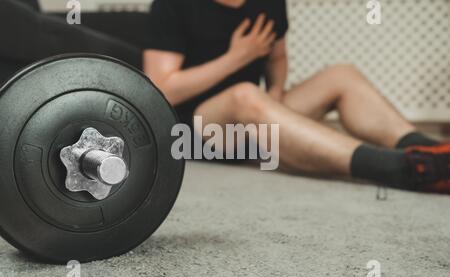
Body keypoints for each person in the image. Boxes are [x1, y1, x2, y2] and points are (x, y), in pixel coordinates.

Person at [143, 0, 450, 194]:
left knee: (341, 74)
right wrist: (237, 57)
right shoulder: (173, 4)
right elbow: (162, 88)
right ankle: (404, 169)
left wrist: (275, 93)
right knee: (244, 94)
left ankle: (432, 151)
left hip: (255, 122)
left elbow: (277, 58)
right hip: (194, 130)